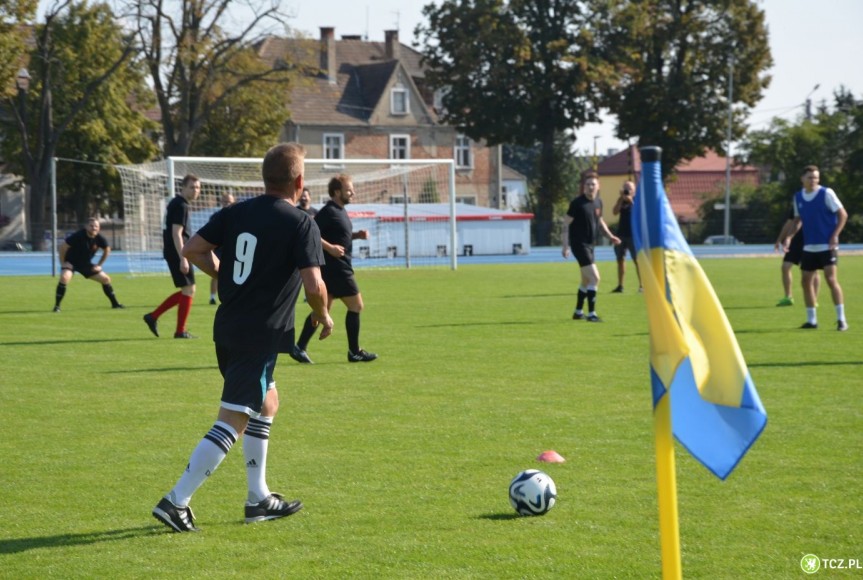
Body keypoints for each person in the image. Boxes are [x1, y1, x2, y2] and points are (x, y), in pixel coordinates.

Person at [151, 142, 334, 533]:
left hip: (229, 326)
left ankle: (258, 498)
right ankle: (176, 500)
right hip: (259, 332)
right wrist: (322, 315)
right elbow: (315, 286)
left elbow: (192, 248)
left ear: (263, 178)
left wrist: (225, 275)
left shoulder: (235, 212)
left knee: (267, 401)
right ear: (299, 182)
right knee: (233, 417)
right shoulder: (301, 222)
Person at [292, 174, 378, 363]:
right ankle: (354, 351)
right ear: (337, 192)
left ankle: (299, 347)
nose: (352, 193)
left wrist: (356, 235)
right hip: (337, 269)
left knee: (322, 309)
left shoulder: (340, 211)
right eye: (349, 190)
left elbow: (339, 237)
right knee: (356, 305)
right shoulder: (329, 211)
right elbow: (310, 231)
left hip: (335, 268)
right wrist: (330, 248)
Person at [790, 165, 848, 331]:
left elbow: (843, 214)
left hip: (827, 246)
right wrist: (788, 237)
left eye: (816, 177)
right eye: (810, 177)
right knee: (805, 281)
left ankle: (841, 320)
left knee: (831, 280)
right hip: (809, 247)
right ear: (802, 179)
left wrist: (835, 235)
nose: (813, 180)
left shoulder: (826, 193)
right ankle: (812, 320)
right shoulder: (798, 197)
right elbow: (797, 220)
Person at [143, 174, 200, 339]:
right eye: (192, 187)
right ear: (183, 187)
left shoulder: (178, 203)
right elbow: (177, 233)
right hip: (178, 251)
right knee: (189, 290)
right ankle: (179, 331)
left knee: (188, 290)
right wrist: (183, 258)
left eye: (197, 187)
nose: (195, 190)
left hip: (176, 251)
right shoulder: (180, 205)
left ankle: (154, 317)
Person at [562, 171, 621, 322]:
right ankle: (592, 314)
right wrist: (565, 246)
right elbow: (565, 224)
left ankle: (578, 312)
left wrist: (610, 236)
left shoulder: (598, 202)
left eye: (593, 184)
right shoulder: (577, 204)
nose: (590, 187)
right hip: (579, 245)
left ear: (598, 186)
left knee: (586, 281)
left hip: (590, 245)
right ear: (583, 187)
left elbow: (600, 221)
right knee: (595, 277)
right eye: (587, 184)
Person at [52, 217, 124, 312]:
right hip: (71, 263)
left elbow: (107, 249)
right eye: (91, 226)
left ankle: (115, 304)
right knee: (64, 277)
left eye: (96, 226)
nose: (94, 228)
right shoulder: (78, 235)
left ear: (99, 228)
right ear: (86, 227)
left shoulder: (99, 238)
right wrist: (63, 263)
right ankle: (57, 307)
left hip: (85, 264)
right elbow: (63, 247)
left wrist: (99, 265)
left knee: (106, 279)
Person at [774, 205, 820, 306]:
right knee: (785, 266)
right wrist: (779, 239)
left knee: (812, 270)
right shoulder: (798, 203)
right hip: (795, 240)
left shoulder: (818, 201)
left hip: (811, 239)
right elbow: (790, 222)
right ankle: (788, 297)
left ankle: (814, 300)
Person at [610, 180, 641, 293]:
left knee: (637, 260)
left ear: (634, 191)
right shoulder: (621, 200)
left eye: (629, 189)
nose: (627, 190)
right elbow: (614, 212)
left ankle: (642, 285)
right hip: (621, 234)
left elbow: (639, 213)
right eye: (625, 188)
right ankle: (620, 285)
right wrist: (620, 199)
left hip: (633, 235)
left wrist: (631, 201)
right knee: (620, 259)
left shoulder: (637, 200)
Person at [209, 192, 236, 305]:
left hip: (233, 249)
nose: (227, 204)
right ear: (221, 203)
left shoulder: (238, 216)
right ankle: (212, 297)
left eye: (229, 201)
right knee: (218, 273)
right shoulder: (216, 216)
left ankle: (232, 295)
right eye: (225, 201)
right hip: (219, 249)